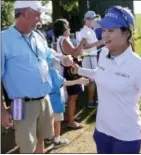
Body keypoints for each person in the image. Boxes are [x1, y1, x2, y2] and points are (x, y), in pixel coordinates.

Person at [72, 6, 141, 154]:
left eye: (111, 30)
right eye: (104, 30)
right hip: (101, 132)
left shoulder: (140, 67)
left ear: (127, 33)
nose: (105, 35)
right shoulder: (103, 53)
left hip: (127, 137)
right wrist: (80, 70)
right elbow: (100, 74)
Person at [1, 1, 73, 153]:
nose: (40, 19)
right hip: (20, 103)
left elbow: (48, 56)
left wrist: (62, 58)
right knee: (27, 148)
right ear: (25, 13)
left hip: (45, 99)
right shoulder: (3, 40)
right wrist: (2, 111)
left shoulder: (38, 36)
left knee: (41, 140)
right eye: (37, 15)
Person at [53, 18, 87, 129]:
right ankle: (70, 121)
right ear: (63, 28)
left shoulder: (60, 39)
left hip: (67, 69)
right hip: (70, 70)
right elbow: (76, 54)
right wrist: (82, 41)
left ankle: (70, 116)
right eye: (67, 26)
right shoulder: (64, 40)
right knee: (73, 96)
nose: (69, 28)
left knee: (72, 96)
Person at [48, 59, 89, 148]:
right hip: (55, 100)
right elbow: (63, 82)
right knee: (57, 120)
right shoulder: (53, 72)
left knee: (48, 120)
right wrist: (77, 81)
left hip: (46, 100)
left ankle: (48, 137)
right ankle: (56, 140)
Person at [79, 11, 105, 108]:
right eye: (94, 19)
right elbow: (83, 46)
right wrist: (99, 43)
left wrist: (99, 43)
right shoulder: (84, 32)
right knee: (91, 80)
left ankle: (93, 99)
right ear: (88, 20)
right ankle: (90, 101)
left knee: (93, 79)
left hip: (92, 57)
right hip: (88, 57)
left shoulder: (90, 30)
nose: (95, 21)